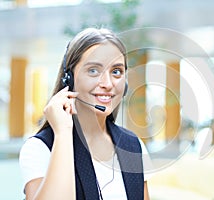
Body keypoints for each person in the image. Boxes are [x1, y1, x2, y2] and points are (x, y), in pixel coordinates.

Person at [19, 27, 151, 200]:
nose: (108, 83)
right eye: (93, 70)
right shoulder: (40, 148)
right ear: (70, 78)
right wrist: (63, 132)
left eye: (116, 71)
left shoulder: (133, 146)